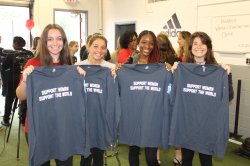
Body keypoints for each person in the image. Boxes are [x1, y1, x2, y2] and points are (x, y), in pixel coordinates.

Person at [16, 24, 85, 166]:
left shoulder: (69, 66)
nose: (55, 43)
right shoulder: (33, 64)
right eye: (50, 39)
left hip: (64, 127)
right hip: (39, 128)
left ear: (64, 42)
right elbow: (20, 96)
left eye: (59, 39)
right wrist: (26, 79)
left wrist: (80, 77)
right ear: (44, 42)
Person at [171, 31, 234, 166]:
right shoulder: (182, 69)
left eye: (203, 43)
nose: (199, 46)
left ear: (208, 47)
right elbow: (172, 95)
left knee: (206, 161)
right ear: (190, 47)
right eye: (195, 43)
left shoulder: (217, 70)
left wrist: (227, 76)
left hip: (207, 126)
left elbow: (228, 96)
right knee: (186, 160)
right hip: (188, 124)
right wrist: (174, 73)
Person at [123, 30, 162, 166]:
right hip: (134, 114)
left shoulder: (160, 64)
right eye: (144, 42)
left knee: (151, 157)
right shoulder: (129, 64)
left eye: (151, 43)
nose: (147, 46)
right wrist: (116, 70)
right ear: (137, 43)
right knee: (133, 152)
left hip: (153, 116)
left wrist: (169, 69)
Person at [76, 34, 116, 166]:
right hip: (84, 119)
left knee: (99, 155)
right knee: (85, 156)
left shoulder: (110, 68)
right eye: (96, 46)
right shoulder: (77, 67)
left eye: (103, 47)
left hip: (101, 119)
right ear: (88, 47)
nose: (99, 50)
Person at [1, 36, 33, 127]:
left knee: (9, 99)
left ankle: (6, 120)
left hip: (13, 80)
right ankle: (23, 120)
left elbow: (4, 67)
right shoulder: (29, 53)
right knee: (25, 99)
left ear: (15, 43)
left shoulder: (11, 54)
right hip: (27, 79)